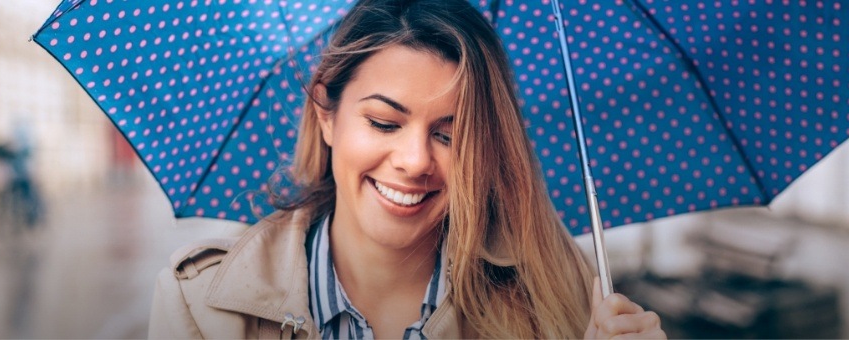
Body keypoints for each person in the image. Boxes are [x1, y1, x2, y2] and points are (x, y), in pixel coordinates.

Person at [149, 0, 665, 338]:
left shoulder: (560, 291)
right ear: (327, 116)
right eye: (383, 122)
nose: (416, 161)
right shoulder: (204, 305)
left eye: (449, 134)